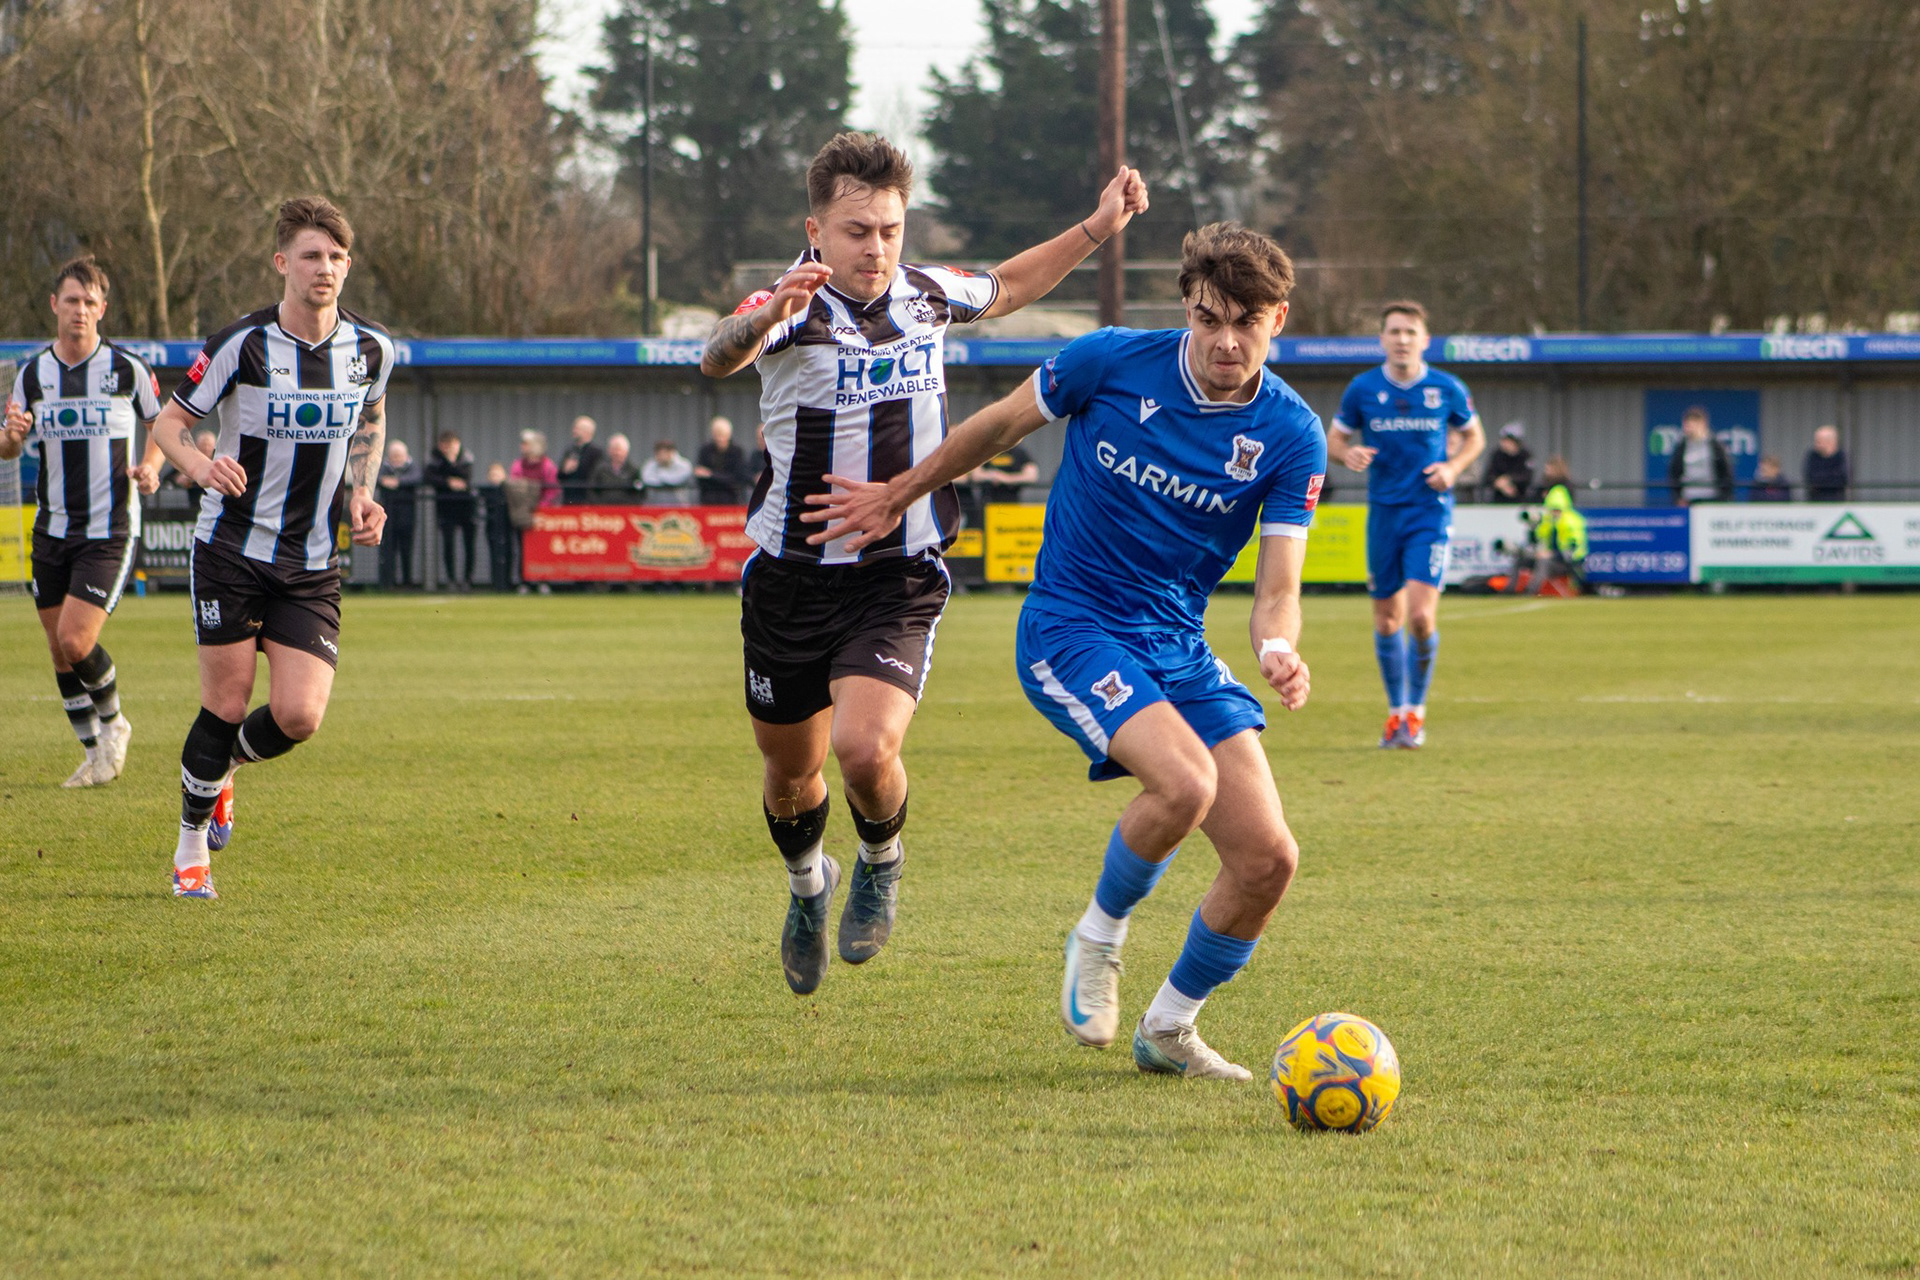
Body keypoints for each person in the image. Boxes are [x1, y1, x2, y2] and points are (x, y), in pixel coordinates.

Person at [807, 223, 1321, 1079]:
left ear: (1280, 319)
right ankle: (1098, 937)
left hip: (1177, 644)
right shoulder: (1110, 361)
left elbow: (1278, 592)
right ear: (1186, 311)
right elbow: (999, 425)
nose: (1227, 341)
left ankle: (1169, 1029)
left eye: (1249, 322)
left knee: (1269, 859)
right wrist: (901, 493)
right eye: (1209, 319)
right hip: (1072, 625)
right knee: (1185, 783)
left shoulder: (1291, 433)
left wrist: (1276, 645)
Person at [700, 130, 1147, 997]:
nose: (876, 247)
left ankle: (881, 857)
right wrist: (765, 318)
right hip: (790, 578)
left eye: (891, 230)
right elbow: (719, 353)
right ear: (817, 228)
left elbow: (1012, 283)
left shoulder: (928, 297)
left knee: (867, 752)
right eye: (858, 229)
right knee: (792, 774)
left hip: (897, 575)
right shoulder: (790, 305)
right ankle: (805, 888)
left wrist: (1096, 227)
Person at [144, 195, 393, 900]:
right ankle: (192, 846)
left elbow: (369, 418)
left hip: (313, 561)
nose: (326, 269)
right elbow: (169, 426)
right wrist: (200, 466)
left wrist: (362, 494)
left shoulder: (372, 349)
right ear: (282, 263)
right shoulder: (243, 345)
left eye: (337, 257)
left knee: (300, 717)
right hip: (230, 547)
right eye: (312, 256)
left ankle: (225, 770)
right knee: (225, 702)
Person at [0, 255, 164, 787]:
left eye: (90, 302)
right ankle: (94, 754)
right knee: (58, 649)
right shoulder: (32, 375)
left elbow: (164, 426)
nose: (80, 310)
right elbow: (6, 446)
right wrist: (13, 438)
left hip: (110, 530)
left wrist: (152, 469)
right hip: (51, 529)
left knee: (75, 639)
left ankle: (115, 724)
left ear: (103, 309)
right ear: (54, 305)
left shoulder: (126, 370)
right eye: (71, 300)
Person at [1327, 301, 1485, 750]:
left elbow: (1476, 437)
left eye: (1410, 332)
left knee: (1419, 617)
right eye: (1394, 331)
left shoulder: (1446, 388)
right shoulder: (1363, 389)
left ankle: (1415, 712)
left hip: (1429, 512)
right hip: (1384, 513)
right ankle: (1396, 713)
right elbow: (1335, 438)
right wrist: (1346, 454)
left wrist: (1453, 469)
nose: (1401, 339)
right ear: (1382, 339)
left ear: (1424, 340)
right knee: (1385, 619)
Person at [425, 430, 477, 589]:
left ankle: (468, 579)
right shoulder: (435, 460)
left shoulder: (466, 458)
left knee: (469, 544)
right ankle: (451, 579)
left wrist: (452, 465)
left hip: (466, 506)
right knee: (448, 544)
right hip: (445, 506)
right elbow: (429, 477)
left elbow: (466, 478)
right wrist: (448, 482)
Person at [375, 439, 421, 587]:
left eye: (399, 455)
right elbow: (377, 479)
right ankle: (389, 582)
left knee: (406, 549)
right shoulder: (383, 467)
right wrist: (385, 481)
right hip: (387, 516)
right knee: (388, 549)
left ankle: (407, 581)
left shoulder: (412, 467)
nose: (396, 459)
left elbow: (417, 478)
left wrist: (397, 482)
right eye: (394, 455)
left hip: (407, 516)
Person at [1667, 405, 1733, 506]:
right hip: (1688, 498)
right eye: (1687, 425)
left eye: (1693, 425)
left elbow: (1726, 472)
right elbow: (1674, 473)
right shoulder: (1681, 447)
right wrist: (1678, 497)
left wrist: (1724, 497)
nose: (1689, 428)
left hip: (1712, 497)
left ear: (1703, 424)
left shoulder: (1715, 445)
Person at [694, 416, 753, 504]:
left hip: (731, 500)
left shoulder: (737, 452)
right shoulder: (705, 451)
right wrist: (721, 478)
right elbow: (700, 477)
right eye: (717, 436)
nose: (720, 439)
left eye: (722, 436)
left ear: (729, 435)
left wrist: (711, 475)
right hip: (708, 500)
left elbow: (737, 479)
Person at [480, 461, 516, 590]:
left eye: (498, 474)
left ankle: (508, 581)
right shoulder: (486, 492)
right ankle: (497, 583)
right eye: (492, 475)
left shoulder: (509, 491)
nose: (495, 477)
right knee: (494, 554)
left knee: (508, 553)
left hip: (507, 526)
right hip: (492, 526)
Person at [557, 415, 602, 506]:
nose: (574, 431)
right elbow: (559, 476)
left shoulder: (596, 453)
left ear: (587, 431)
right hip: (568, 499)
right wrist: (565, 470)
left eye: (577, 428)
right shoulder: (569, 451)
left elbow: (597, 477)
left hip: (586, 501)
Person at [1483, 422, 1533, 503]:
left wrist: (1509, 480)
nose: (1503, 443)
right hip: (1498, 499)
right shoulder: (1497, 455)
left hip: (1520, 499)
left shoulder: (1525, 455)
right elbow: (1488, 477)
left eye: (1507, 440)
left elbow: (1527, 477)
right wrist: (1499, 484)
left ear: (1515, 442)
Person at [510, 428, 559, 509]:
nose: (522, 446)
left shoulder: (548, 466)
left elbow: (552, 491)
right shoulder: (517, 465)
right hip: (522, 510)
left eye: (526, 444)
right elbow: (515, 487)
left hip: (545, 511)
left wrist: (541, 507)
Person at [588, 433, 642, 504]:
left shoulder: (633, 470)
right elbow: (591, 489)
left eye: (619, 450)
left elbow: (640, 492)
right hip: (603, 510)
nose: (617, 453)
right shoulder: (600, 469)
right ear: (609, 451)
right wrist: (598, 505)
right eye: (614, 449)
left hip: (626, 510)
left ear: (626, 451)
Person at [640, 439, 694, 504]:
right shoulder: (650, 464)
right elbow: (646, 479)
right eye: (659, 454)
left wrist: (661, 477)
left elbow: (676, 481)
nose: (662, 456)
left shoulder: (684, 465)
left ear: (672, 452)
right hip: (655, 505)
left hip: (679, 504)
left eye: (664, 453)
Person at [1804, 425, 1850, 501]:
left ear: (1830, 441)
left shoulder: (1841, 457)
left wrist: (1823, 481)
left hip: (1837, 501)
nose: (1816, 444)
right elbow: (1810, 477)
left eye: (1819, 441)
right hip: (1815, 500)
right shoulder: (1812, 456)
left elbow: (1843, 478)